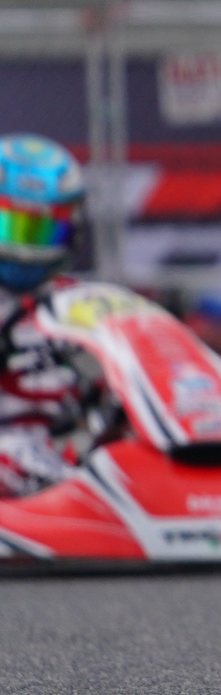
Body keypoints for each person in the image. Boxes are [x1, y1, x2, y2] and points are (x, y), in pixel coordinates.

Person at [0, 135, 92, 498]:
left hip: (61, 451)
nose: (26, 248)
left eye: (42, 231)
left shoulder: (77, 302)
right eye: (14, 228)